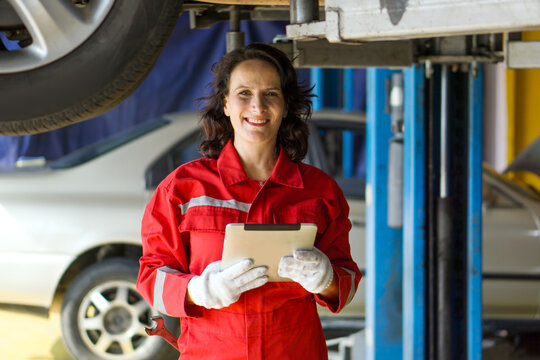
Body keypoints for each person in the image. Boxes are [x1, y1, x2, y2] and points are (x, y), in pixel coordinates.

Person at [136, 43, 361, 359]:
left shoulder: (319, 191)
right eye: (244, 93)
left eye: (271, 94)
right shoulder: (183, 188)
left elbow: (347, 279)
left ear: (285, 106)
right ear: (226, 104)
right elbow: (151, 276)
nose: (258, 106)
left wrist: (327, 279)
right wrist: (198, 290)